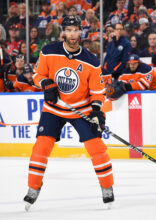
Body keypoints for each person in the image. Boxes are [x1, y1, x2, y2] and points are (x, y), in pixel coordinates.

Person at [23, 15, 114, 210]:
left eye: (76, 30)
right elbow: (37, 75)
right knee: (41, 147)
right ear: (63, 32)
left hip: (80, 109)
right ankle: (33, 187)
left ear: (81, 32)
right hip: (54, 108)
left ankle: (107, 187)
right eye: (69, 30)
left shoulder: (91, 61)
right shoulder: (48, 52)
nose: (73, 34)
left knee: (96, 147)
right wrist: (46, 83)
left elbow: (98, 92)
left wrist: (97, 112)